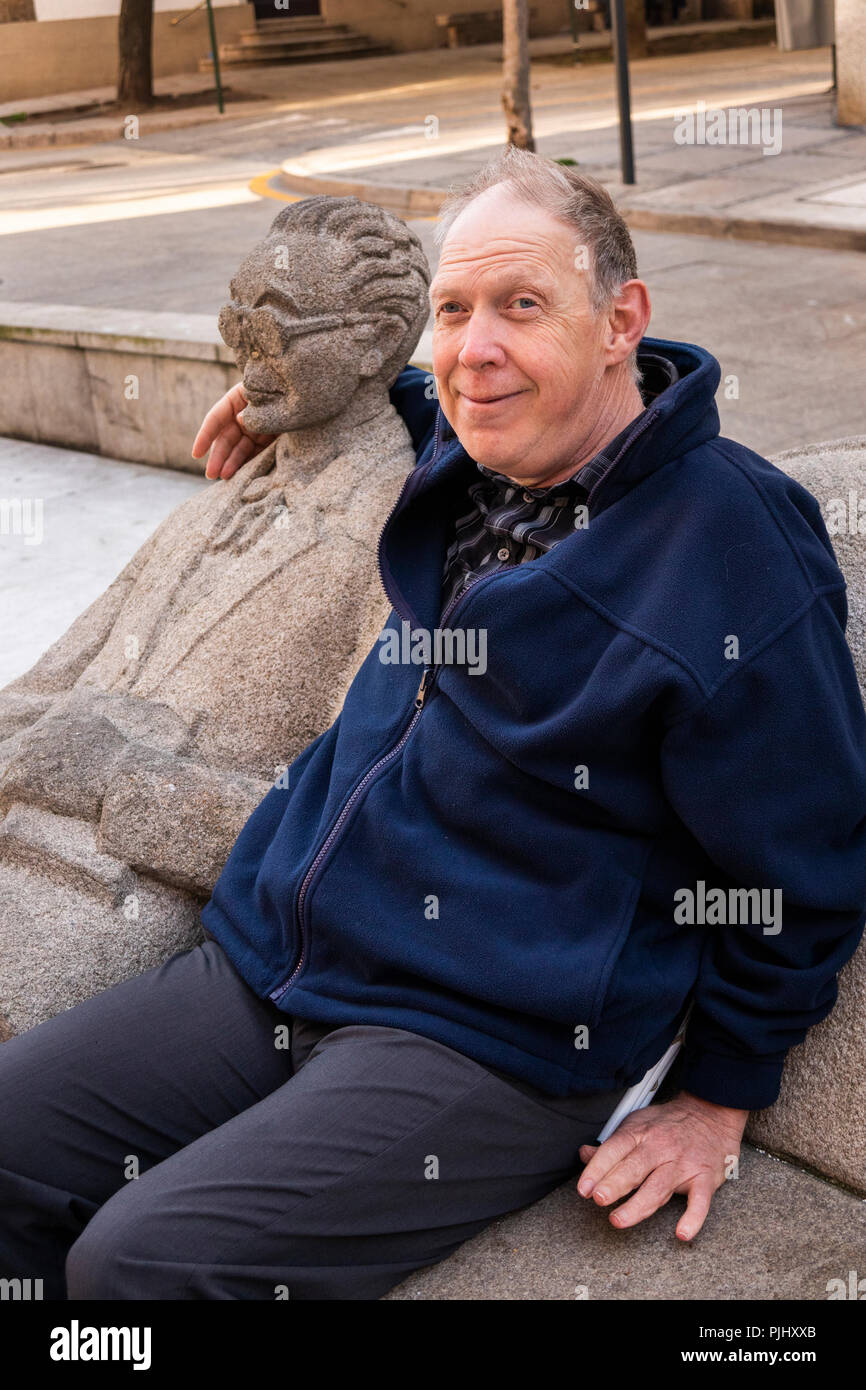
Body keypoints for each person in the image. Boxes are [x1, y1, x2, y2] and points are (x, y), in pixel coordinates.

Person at [2, 149, 865, 1302]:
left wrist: (717, 1096)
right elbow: (438, 392)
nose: (474, 350)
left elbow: (802, 868)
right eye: (452, 313)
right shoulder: (474, 449)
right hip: (279, 955)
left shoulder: (732, 554)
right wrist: (307, 405)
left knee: (139, 1271)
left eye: (521, 307)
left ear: (621, 322)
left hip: (486, 1041)